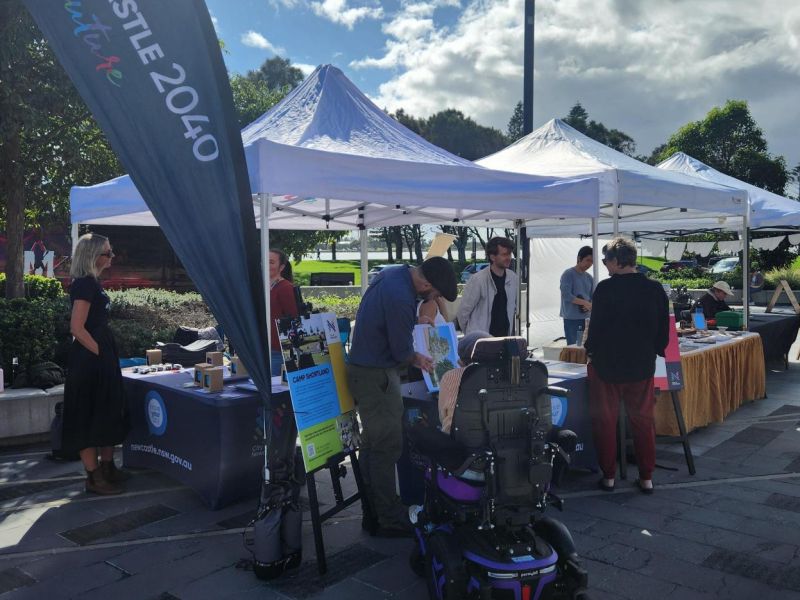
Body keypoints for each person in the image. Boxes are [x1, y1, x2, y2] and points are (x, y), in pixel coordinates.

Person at [348, 256, 457, 537]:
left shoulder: (394, 273)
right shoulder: (401, 298)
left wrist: (417, 319)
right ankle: (388, 517)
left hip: (365, 369)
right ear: (426, 284)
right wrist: (418, 358)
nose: (435, 300)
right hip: (377, 376)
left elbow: (390, 324)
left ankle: (372, 511)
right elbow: (400, 352)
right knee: (387, 446)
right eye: (435, 294)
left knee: (372, 444)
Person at [584, 237, 669, 495]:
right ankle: (646, 477)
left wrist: (590, 351)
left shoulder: (605, 289)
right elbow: (663, 333)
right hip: (641, 364)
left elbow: (595, 329)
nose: (603, 264)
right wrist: (653, 351)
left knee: (605, 421)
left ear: (615, 261)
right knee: (643, 420)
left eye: (605, 260)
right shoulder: (655, 289)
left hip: (606, 364)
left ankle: (608, 476)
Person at [62, 233, 130, 495]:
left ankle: (108, 466)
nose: (112, 257)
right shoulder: (85, 285)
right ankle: (94, 477)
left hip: (98, 358)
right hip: (91, 362)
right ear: (93, 256)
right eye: (107, 253)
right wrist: (101, 353)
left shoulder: (92, 283)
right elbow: (77, 328)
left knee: (107, 410)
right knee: (88, 415)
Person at [457, 237, 519, 336]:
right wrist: (472, 335)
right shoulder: (477, 280)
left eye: (509, 254)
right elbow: (463, 312)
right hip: (482, 341)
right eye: (504, 254)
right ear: (492, 257)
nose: (508, 258)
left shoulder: (513, 278)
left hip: (504, 339)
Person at [437, 330, 490, 434]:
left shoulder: (449, 377)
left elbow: (442, 416)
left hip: (456, 440)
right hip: (493, 438)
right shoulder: (504, 375)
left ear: (461, 360)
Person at [269, 249, 299, 376]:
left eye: (271, 262)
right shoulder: (264, 287)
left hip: (278, 350)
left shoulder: (285, 288)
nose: (266, 265)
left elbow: (294, 318)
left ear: (281, 267)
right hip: (264, 348)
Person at [560, 246, 594, 345]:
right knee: (574, 347)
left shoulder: (589, 278)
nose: (590, 264)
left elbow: (593, 297)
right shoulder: (568, 274)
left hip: (587, 319)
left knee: (586, 348)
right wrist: (585, 303)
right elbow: (566, 295)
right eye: (588, 260)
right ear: (579, 258)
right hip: (572, 319)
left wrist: (589, 305)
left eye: (592, 261)